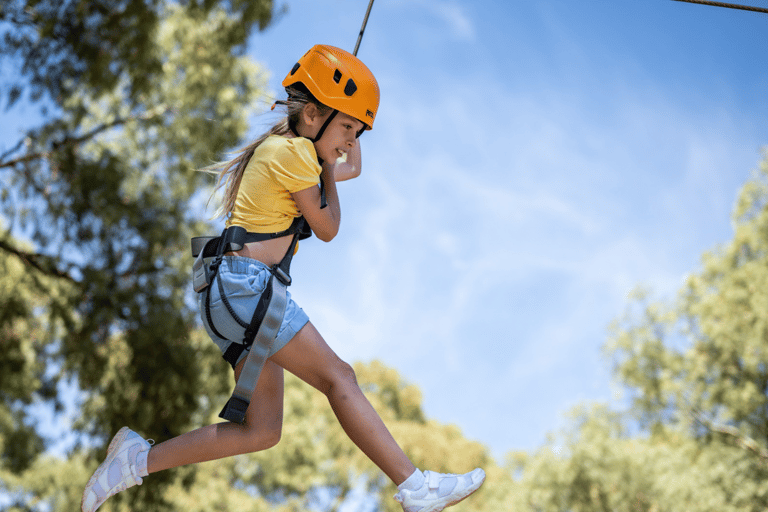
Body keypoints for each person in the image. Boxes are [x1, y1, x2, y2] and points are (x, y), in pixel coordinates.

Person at [81, 44, 485, 512]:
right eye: (348, 127)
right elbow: (328, 227)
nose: (351, 140)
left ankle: (135, 461)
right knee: (340, 378)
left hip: (230, 294)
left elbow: (348, 165)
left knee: (262, 430)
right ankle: (413, 485)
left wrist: (336, 152)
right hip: (246, 287)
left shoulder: (295, 155)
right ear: (312, 115)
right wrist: (328, 168)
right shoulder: (294, 154)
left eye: (358, 131)